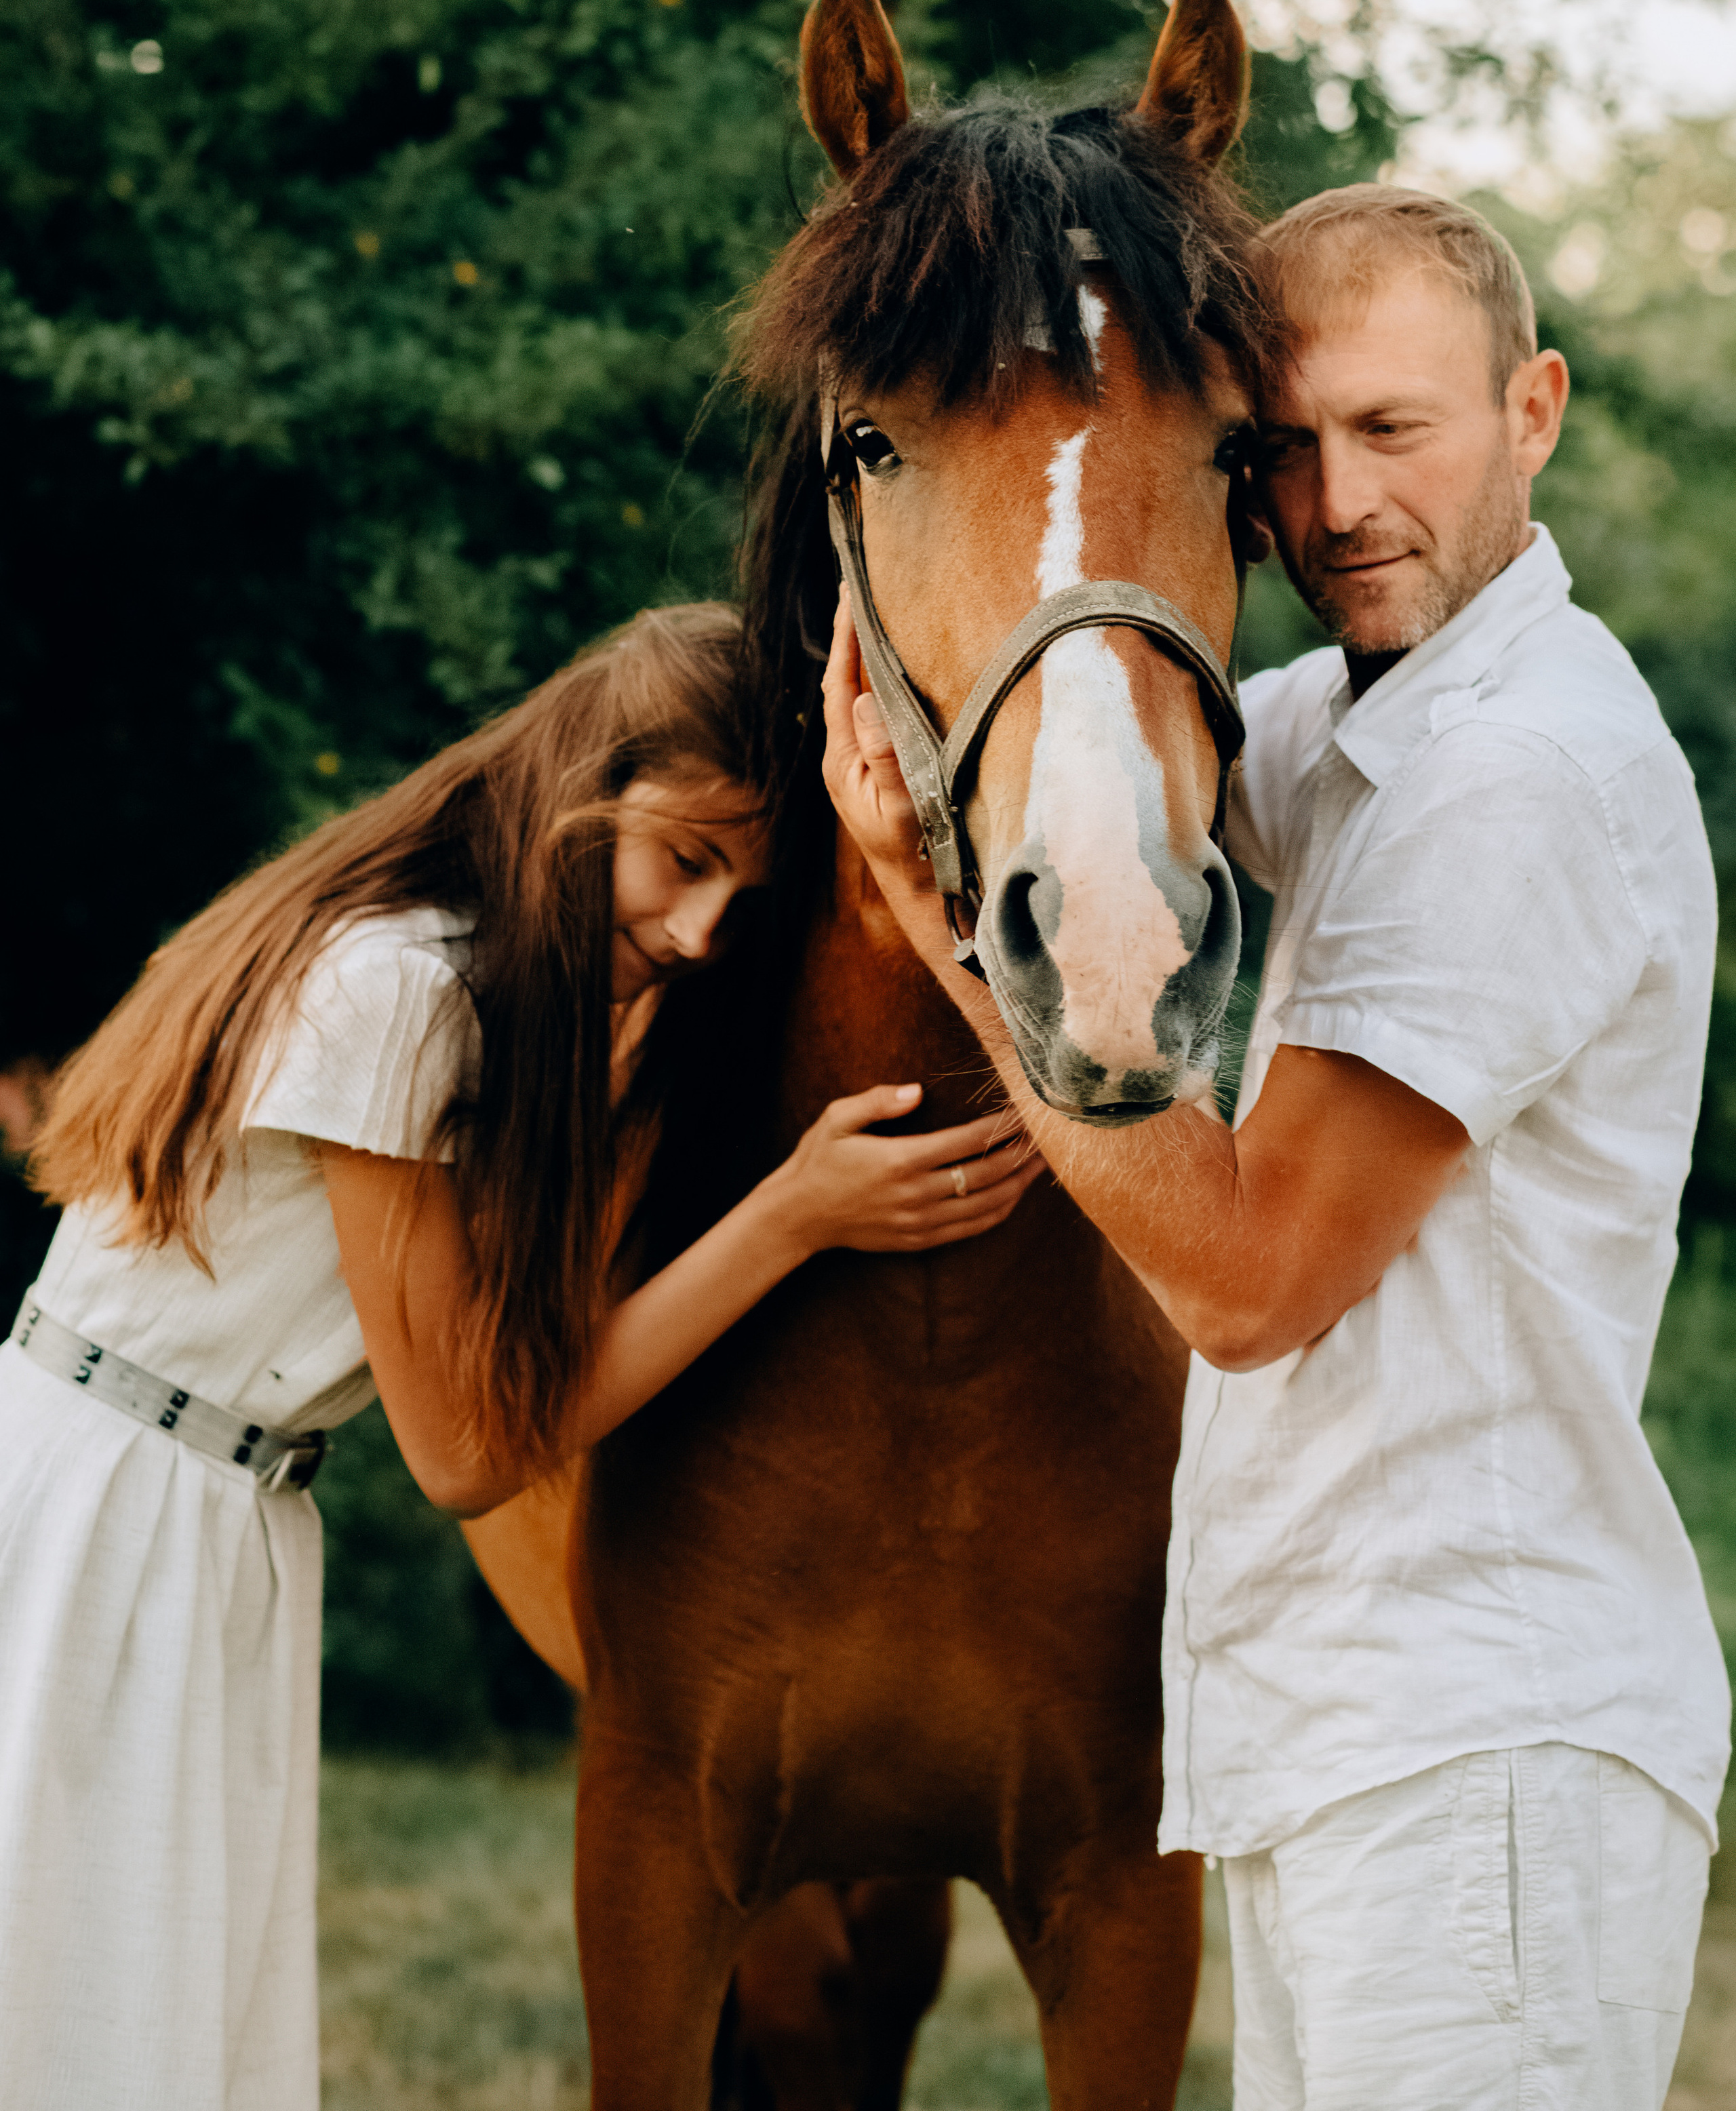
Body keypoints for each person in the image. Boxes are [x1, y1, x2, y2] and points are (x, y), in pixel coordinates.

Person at [822, 187, 1731, 2110]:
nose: (1337, 507)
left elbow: (1247, 1284)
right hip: (1352, 1732)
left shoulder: (1514, 774)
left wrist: (935, 918)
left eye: (1396, 431)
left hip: (1477, 1745)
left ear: (1536, 409)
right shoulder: (1360, 719)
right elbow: (1105, 723)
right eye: (1284, 451)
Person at [0, 599, 1035, 2111]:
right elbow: (470, 1454)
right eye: (683, 860)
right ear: (577, 791)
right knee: (74, 2007)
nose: (694, 933)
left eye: (735, 901)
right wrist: (791, 1219)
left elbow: (526, 1373)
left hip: (213, 1506)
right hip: (111, 1515)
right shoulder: (395, 994)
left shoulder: (473, 996)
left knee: (155, 2017)